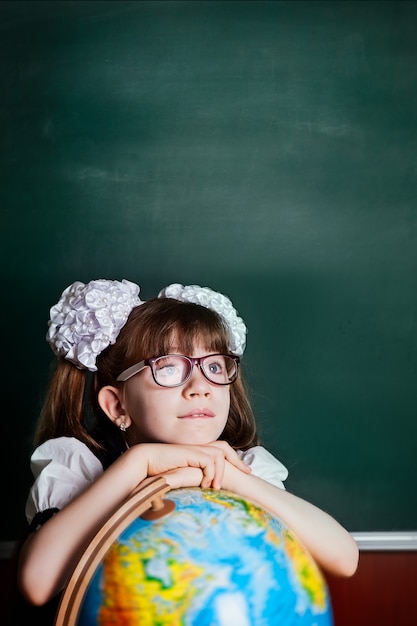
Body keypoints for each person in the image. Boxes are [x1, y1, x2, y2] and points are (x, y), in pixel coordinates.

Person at [16, 278, 358, 616]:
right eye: (168, 367)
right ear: (118, 406)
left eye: (213, 367)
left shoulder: (247, 467)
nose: (200, 387)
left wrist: (230, 477)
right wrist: (140, 463)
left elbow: (345, 559)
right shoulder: (80, 466)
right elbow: (37, 584)